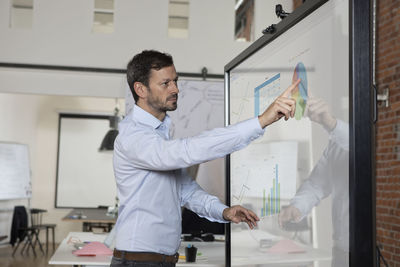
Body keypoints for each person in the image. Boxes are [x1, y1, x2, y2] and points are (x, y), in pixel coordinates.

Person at [111, 50, 300, 267]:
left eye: (175, 81)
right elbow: (186, 151)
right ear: (140, 89)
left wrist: (223, 211)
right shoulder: (133, 136)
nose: (175, 89)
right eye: (165, 83)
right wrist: (260, 122)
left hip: (158, 261)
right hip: (137, 261)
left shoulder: (158, 134)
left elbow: (186, 191)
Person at [278, 97, 349, 267]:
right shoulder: (336, 145)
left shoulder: (369, 139)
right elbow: (316, 185)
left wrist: (330, 123)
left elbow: (359, 143)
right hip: (341, 251)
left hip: (367, 250)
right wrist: (297, 206)